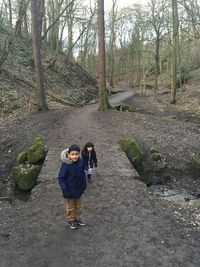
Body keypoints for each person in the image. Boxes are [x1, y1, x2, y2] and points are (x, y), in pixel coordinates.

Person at [58, 144, 87, 230]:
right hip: (69, 191)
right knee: (70, 207)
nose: (75, 156)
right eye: (73, 154)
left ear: (79, 154)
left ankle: (77, 219)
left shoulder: (81, 162)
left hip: (78, 189)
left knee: (78, 206)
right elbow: (61, 178)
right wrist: (65, 189)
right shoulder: (66, 165)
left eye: (77, 154)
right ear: (69, 154)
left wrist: (84, 184)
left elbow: (82, 174)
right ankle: (70, 220)